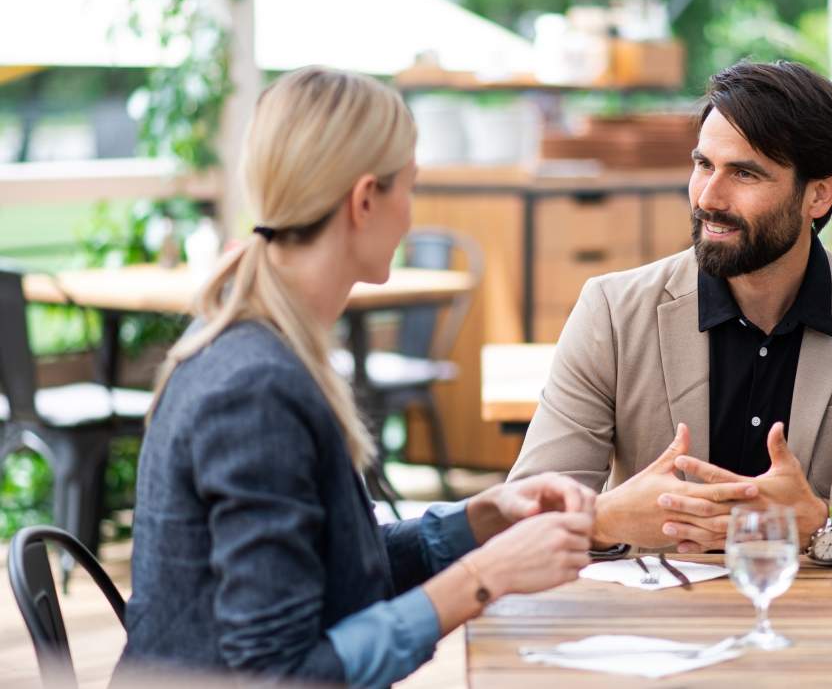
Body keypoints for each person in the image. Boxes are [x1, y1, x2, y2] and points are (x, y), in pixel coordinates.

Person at [116, 67, 595, 687]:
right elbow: (285, 675)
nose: (411, 214)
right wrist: (484, 576)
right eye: (410, 189)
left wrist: (483, 519)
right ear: (365, 200)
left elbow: (330, 568)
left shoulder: (259, 346)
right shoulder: (255, 390)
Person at [508, 61, 832, 563]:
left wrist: (821, 521)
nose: (708, 198)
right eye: (703, 165)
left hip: (819, 624)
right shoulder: (611, 310)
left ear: (819, 195)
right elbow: (530, 504)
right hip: (653, 625)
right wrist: (607, 518)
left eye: (744, 173)